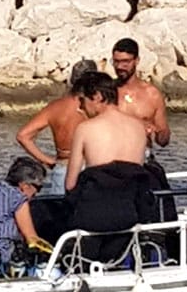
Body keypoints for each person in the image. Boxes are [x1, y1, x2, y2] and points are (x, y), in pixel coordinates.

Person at [64, 71, 159, 264]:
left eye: (82, 101)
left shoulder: (85, 129)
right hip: (128, 214)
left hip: (93, 216)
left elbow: (70, 184)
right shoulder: (138, 128)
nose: (80, 108)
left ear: (97, 97)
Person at [16, 60, 97, 195]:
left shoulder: (56, 107)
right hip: (91, 167)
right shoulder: (97, 106)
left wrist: (47, 161)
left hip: (64, 167)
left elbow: (23, 136)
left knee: (60, 213)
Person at [111, 38, 171, 148]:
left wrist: (160, 134)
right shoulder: (108, 91)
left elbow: (163, 136)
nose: (120, 67)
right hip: (111, 154)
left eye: (126, 62)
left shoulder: (152, 94)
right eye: (116, 61)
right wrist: (138, 124)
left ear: (137, 60)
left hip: (142, 156)